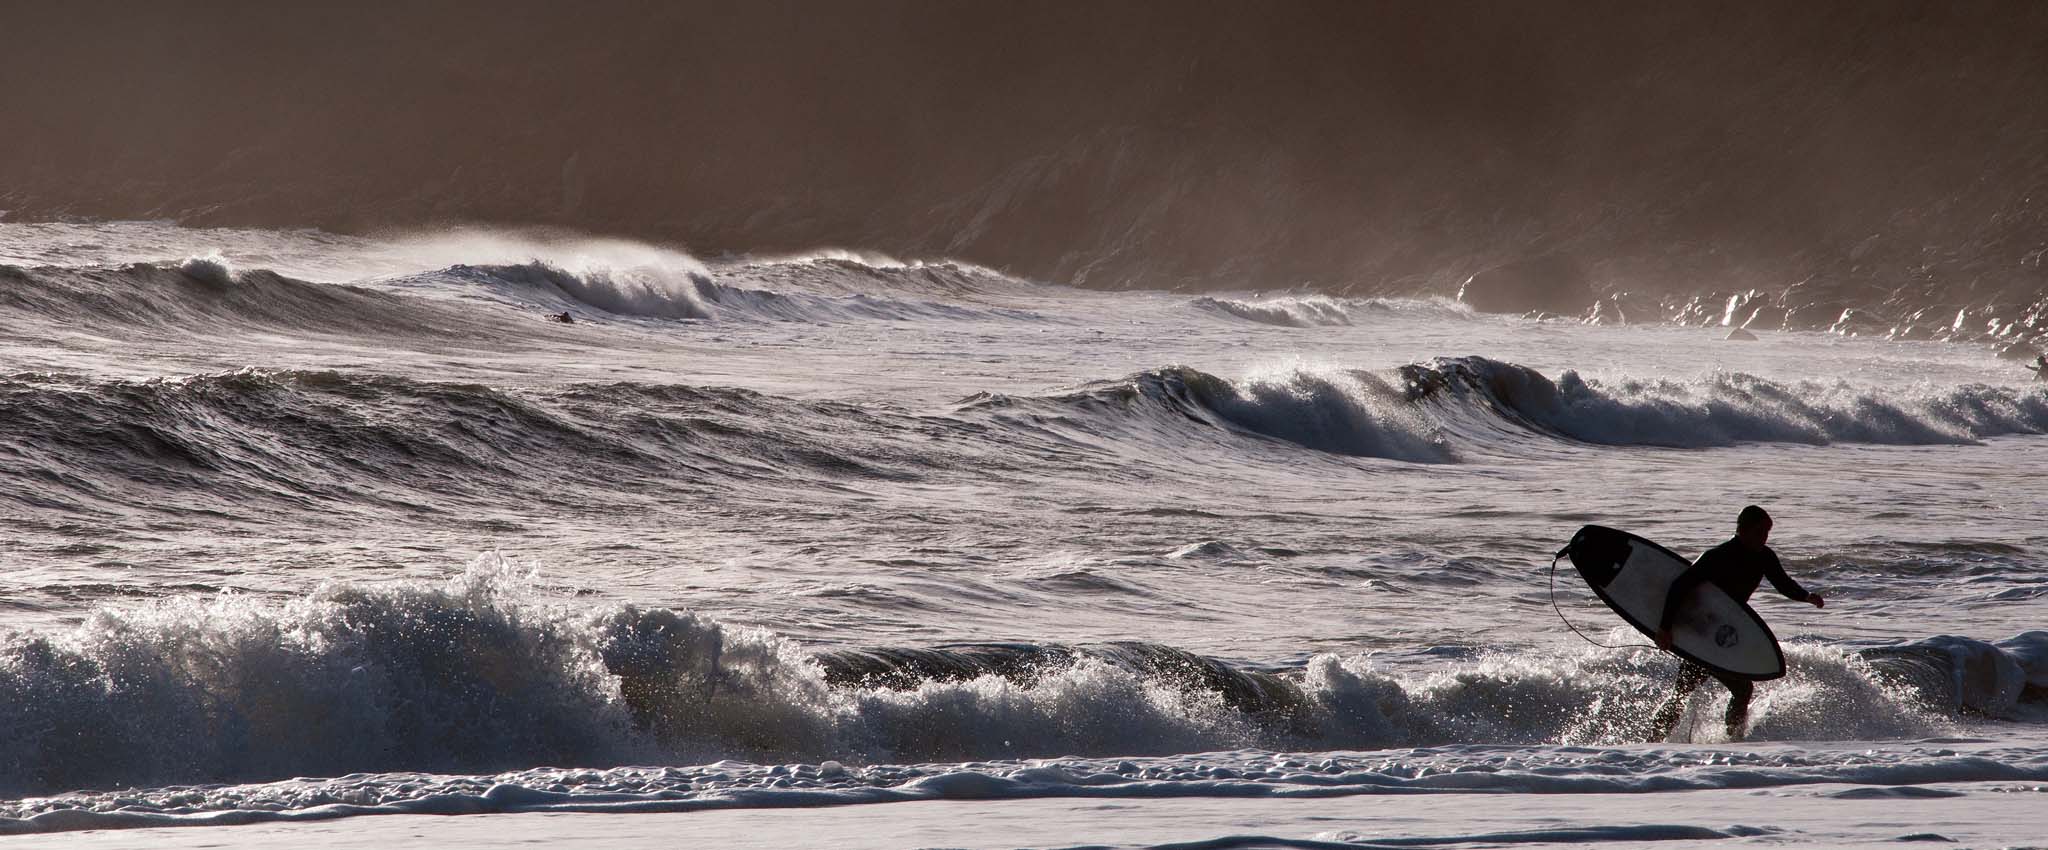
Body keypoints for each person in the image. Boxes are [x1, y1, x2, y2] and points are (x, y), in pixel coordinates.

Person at [1650, 505, 1824, 741]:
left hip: (1724, 636)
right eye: (1759, 532)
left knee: (1740, 689)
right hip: (1701, 634)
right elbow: (1679, 587)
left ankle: (1733, 739)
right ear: (1742, 530)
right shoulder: (1716, 556)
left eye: (1767, 532)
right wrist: (1665, 628)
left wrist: (1806, 596)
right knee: (1684, 692)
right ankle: (1654, 740)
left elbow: (1782, 583)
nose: (1764, 538)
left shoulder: (1764, 556)